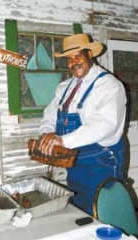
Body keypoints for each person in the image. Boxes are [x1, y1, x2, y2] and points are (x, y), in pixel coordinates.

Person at [38, 33, 127, 215]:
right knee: (81, 211)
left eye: (78, 56)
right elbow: (50, 114)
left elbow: (105, 124)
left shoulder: (109, 86)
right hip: (76, 163)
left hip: (102, 162)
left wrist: (62, 140)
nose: (73, 62)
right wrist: (47, 133)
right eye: (69, 59)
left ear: (90, 54)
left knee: (106, 213)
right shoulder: (65, 87)